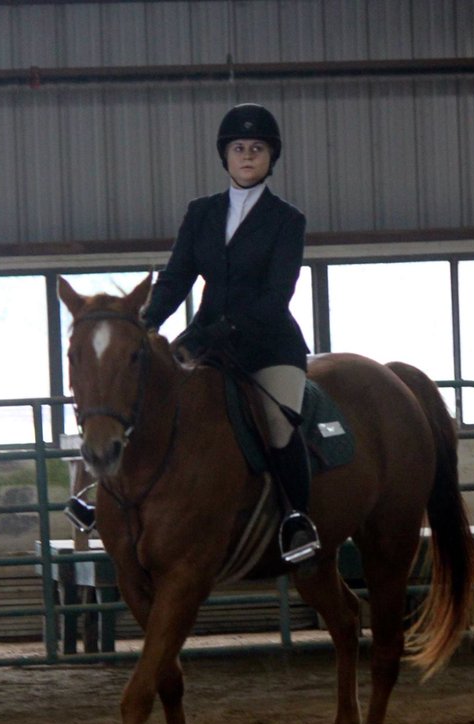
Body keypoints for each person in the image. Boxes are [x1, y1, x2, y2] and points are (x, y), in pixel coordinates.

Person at [140, 102, 320, 564]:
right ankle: (110, 494)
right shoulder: (201, 213)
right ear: (225, 155)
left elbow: (277, 294)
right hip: (204, 338)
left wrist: (226, 329)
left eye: (257, 149)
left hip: (267, 344)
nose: (247, 156)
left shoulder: (287, 220)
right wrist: (146, 323)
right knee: (148, 393)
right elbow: (177, 278)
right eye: (238, 148)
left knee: (279, 423)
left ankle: (297, 519)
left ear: (270, 158)